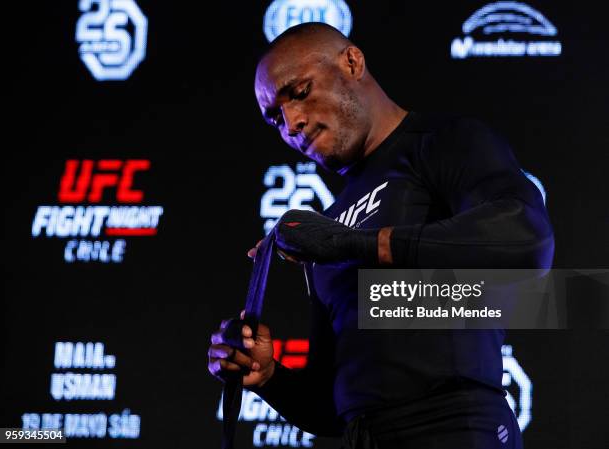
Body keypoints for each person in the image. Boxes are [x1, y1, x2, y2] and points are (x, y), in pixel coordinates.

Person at [208, 22, 554, 449]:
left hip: (454, 427)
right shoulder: (327, 225)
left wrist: (350, 245)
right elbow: (333, 407)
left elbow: (526, 239)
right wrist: (267, 376)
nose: (292, 122)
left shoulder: (442, 142)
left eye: (299, 92)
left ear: (352, 62)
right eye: (275, 117)